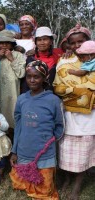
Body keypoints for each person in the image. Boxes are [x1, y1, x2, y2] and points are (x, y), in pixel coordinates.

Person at [10, 60, 64, 199]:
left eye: (37, 76)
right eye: (29, 76)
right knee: (20, 182)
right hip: (24, 149)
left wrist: (49, 140)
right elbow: (18, 126)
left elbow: (59, 125)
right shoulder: (22, 99)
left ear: (44, 78)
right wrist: (15, 151)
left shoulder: (53, 100)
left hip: (44, 151)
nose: (32, 80)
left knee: (45, 190)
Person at [53, 24, 95, 200]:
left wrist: (83, 92)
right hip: (70, 112)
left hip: (89, 113)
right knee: (67, 149)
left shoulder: (92, 61)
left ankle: (77, 186)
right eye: (73, 43)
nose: (77, 46)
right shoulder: (64, 60)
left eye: (81, 41)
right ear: (67, 45)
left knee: (85, 149)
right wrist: (81, 92)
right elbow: (58, 86)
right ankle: (67, 179)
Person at [0, 30, 25, 131]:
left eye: (7, 43)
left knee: (12, 120)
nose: (4, 45)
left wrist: (11, 59)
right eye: (1, 43)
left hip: (13, 95)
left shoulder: (18, 55)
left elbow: (21, 74)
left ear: (12, 44)